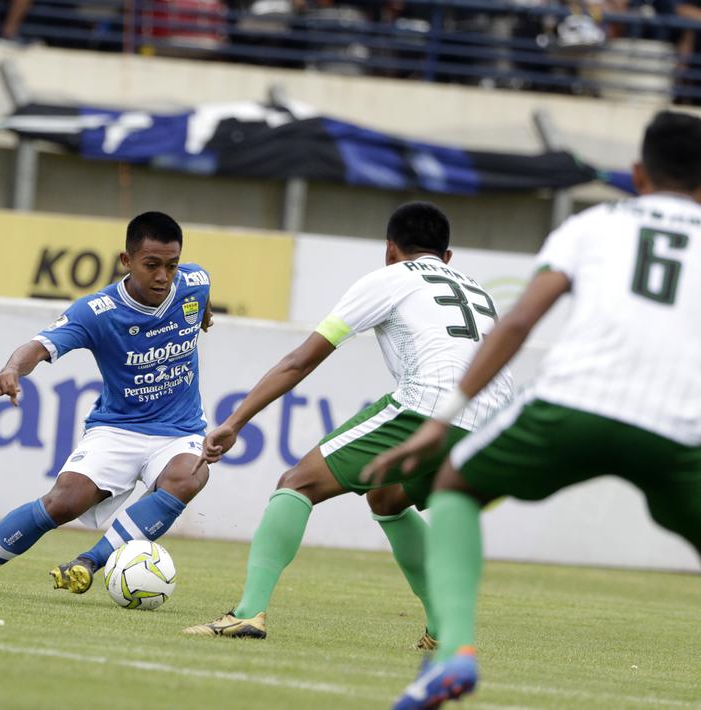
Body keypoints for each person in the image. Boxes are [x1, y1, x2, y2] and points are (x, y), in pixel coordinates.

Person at [367, 111, 701, 709]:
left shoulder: (594, 224)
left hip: (575, 404)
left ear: (636, 173)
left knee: (455, 485)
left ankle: (455, 657)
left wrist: (445, 417)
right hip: (680, 427)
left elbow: (520, 321)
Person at [183, 202, 513, 647]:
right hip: (496, 425)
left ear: (390, 249)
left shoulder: (390, 277)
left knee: (297, 483)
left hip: (430, 406)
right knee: (387, 498)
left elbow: (300, 361)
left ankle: (247, 614)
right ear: (447, 256)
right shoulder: (478, 291)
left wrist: (235, 421)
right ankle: (442, 627)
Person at [0, 211, 214, 595]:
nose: (163, 276)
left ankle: (89, 562)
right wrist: (12, 369)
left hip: (179, 431)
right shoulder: (96, 312)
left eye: (171, 265)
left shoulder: (194, 282)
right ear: (126, 261)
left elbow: (200, 299)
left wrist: (205, 316)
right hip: (117, 428)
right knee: (64, 502)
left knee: (191, 474)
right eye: (152, 265)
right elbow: (39, 346)